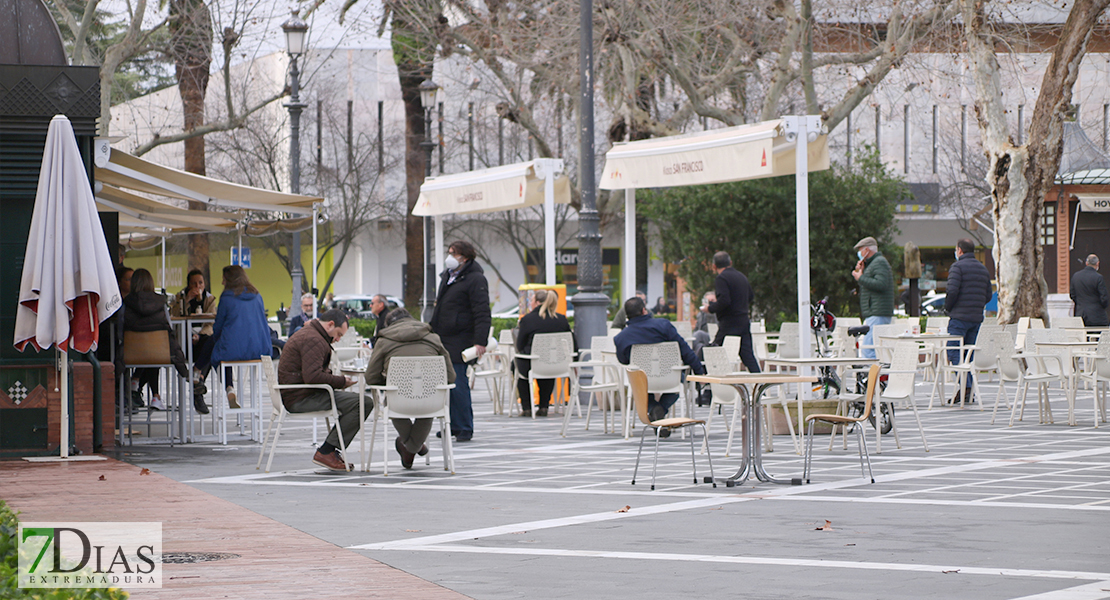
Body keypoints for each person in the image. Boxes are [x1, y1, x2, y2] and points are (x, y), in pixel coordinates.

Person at [365, 307, 454, 469]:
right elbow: (451, 376)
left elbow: (371, 377)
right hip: (431, 402)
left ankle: (411, 447)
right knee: (430, 397)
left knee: (390, 400)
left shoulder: (384, 341)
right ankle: (414, 447)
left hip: (398, 402)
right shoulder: (434, 339)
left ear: (389, 325)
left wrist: (387, 383)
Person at [278, 309, 366, 471]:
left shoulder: (311, 333)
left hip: (297, 393)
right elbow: (312, 376)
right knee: (363, 402)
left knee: (358, 402)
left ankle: (330, 450)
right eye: (338, 334)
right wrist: (341, 381)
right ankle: (327, 451)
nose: (338, 339)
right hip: (301, 398)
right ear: (330, 325)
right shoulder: (314, 339)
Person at [614, 296, 705, 437]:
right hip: (668, 378)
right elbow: (684, 350)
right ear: (644, 310)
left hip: (642, 380)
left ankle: (654, 408)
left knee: (640, 385)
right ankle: (661, 409)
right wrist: (699, 372)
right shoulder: (663, 325)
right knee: (679, 381)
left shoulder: (621, 337)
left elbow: (623, 360)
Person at [429, 240, 491, 442]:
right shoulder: (447, 276)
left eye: (453, 253)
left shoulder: (475, 279)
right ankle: (452, 424)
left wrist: (480, 341)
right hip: (443, 337)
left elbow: (482, 312)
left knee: (458, 382)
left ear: (464, 257)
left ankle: (464, 426)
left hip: (461, 337)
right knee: (446, 383)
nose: (449, 257)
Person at [199, 265, 273, 408]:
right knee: (222, 348)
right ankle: (202, 376)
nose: (222, 283)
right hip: (259, 350)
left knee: (219, 349)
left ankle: (220, 384)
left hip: (233, 350)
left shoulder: (226, 298)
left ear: (230, 280)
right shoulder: (258, 296)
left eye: (224, 279)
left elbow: (218, 327)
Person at [118, 269, 190, 412]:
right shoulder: (161, 303)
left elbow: (121, 332)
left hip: (131, 355)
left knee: (145, 351)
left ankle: (133, 389)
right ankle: (156, 397)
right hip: (160, 354)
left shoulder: (126, 303)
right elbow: (169, 327)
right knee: (153, 351)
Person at [944, 239, 992, 404]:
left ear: (959, 250)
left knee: (953, 351)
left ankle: (967, 386)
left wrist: (948, 308)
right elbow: (988, 295)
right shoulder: (982, 268)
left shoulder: (957, 267)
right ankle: (966, 389)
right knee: (967, 355)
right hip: (976, 318)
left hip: (959, 317)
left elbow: (952, 290)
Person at [515, 289, 577, 417]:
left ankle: (526, 407)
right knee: (548, 362)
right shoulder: (561, 319)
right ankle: (544, 406)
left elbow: (520, 345)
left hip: (531, 365)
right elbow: (573, 343)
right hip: (557, 365)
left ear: (537, 302)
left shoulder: (527, 319)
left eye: (531, 301)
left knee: (517, 366)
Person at [707, 251, 761, 373]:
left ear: (714, 266)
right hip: (743, 320)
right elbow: (750, 296)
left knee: (715, 353)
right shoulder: (742, 276)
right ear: (730, 263)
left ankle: (710, 388)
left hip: (729, 322)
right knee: (748, 356)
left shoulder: (721, 278)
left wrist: (710, 308)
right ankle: (760, 386)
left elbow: (724, 301)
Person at [172, 269, 216, 411]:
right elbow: (173, 316)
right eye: (194, 283)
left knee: (210, 347)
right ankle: (198, 385)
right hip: (184, 341)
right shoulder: (180, 297)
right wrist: (186, 300)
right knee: (208, 352)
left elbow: (210, 323)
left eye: (201, 283)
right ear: (188, 285)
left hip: (201, 339)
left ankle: (198, 382)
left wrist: (200, 335)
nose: (198, 286)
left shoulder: (210, 299)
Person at [852, 236, 894, 360]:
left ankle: (873, 377)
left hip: (877, 311)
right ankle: (876, 377)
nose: (859, 254)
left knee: (869, 349)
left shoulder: (879, 262)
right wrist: (863, 271)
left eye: (861, 250)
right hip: (875, 311)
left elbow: (881, 284)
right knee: (872, 348)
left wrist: (860, 278)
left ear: (867, 250)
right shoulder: (873, 264)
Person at [1071, 254, 1110, 327]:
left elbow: (1072, 295)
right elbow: (1104, 297)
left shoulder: (1076, 276)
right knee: (1099, 336)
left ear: (1086, 263)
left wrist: (1081, 303)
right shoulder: (1098, 277)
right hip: (1097, 315)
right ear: (1097, 263)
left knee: (1082, 337)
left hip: (1080, 314)